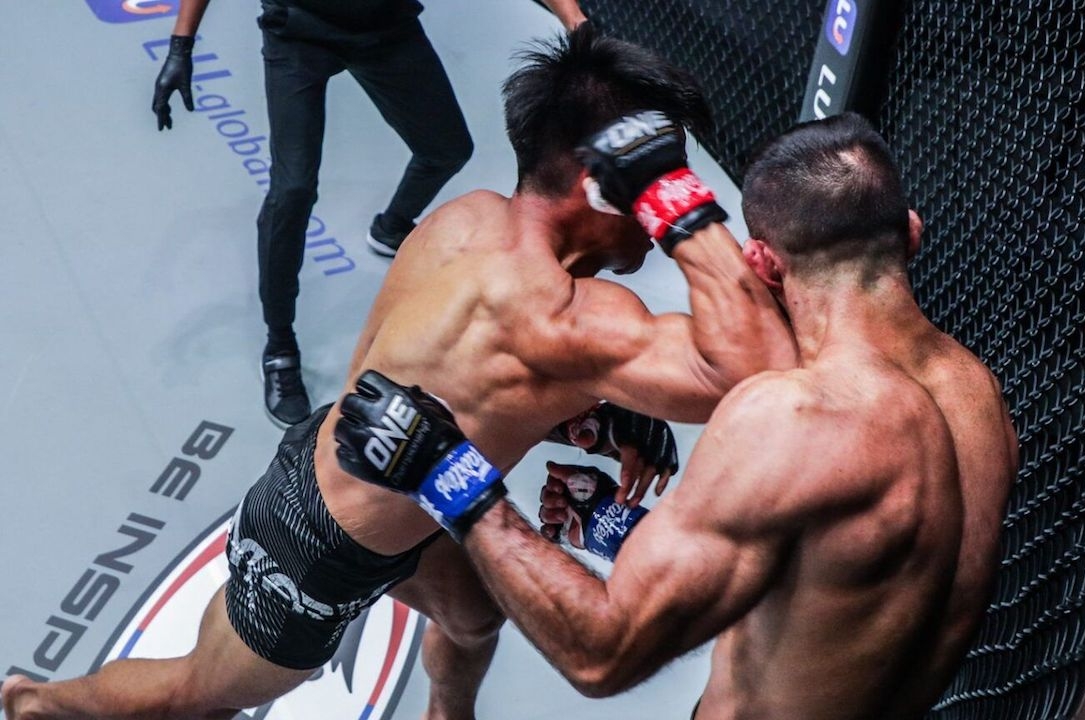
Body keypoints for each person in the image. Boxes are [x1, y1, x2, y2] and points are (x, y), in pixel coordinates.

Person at [2, 27, 794, 720]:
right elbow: (763, 372)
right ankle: (36, 703)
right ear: (605, 188)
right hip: (322, 547)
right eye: (649, 185)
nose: (654, 221)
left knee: (475, 616)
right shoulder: (571, 322)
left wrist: (599, 409)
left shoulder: (468, 217)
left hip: (378, 466)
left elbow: (471, 378)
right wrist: (676, 198)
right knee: (197, 694)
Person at [332, 112, 1020, 719]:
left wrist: (451, 477)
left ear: (762, 265)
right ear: (911, 232)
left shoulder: (797, 418)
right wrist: (618, 531)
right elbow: (849, 590)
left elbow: (603, 654)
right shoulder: (978, 396)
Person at [149, 0, 587, 427]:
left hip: (385, 27)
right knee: (292, 190)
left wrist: (573, 17)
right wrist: (180, 47)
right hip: (298, 32)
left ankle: (391, 227)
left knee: (446, 149)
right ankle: (279, 346)